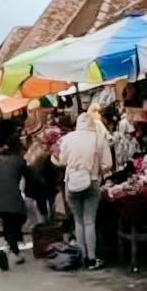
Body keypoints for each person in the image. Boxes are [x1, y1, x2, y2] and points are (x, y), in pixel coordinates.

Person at [55, 112, 112, 270]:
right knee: (89, 221)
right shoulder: (99, 138)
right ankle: (92, 259)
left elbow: (62, 160)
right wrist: (97, 171)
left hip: (71, 182)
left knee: (78, 221)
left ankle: (81, 257)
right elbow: (107, 164)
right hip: (92, 182)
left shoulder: (68, 138)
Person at [0, 134, 29, 270]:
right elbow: (29, 176)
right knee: (16, 222)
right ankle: (8, 249)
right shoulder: (18, 160)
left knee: (8, 224)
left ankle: (14, 250)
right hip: (14, 198)